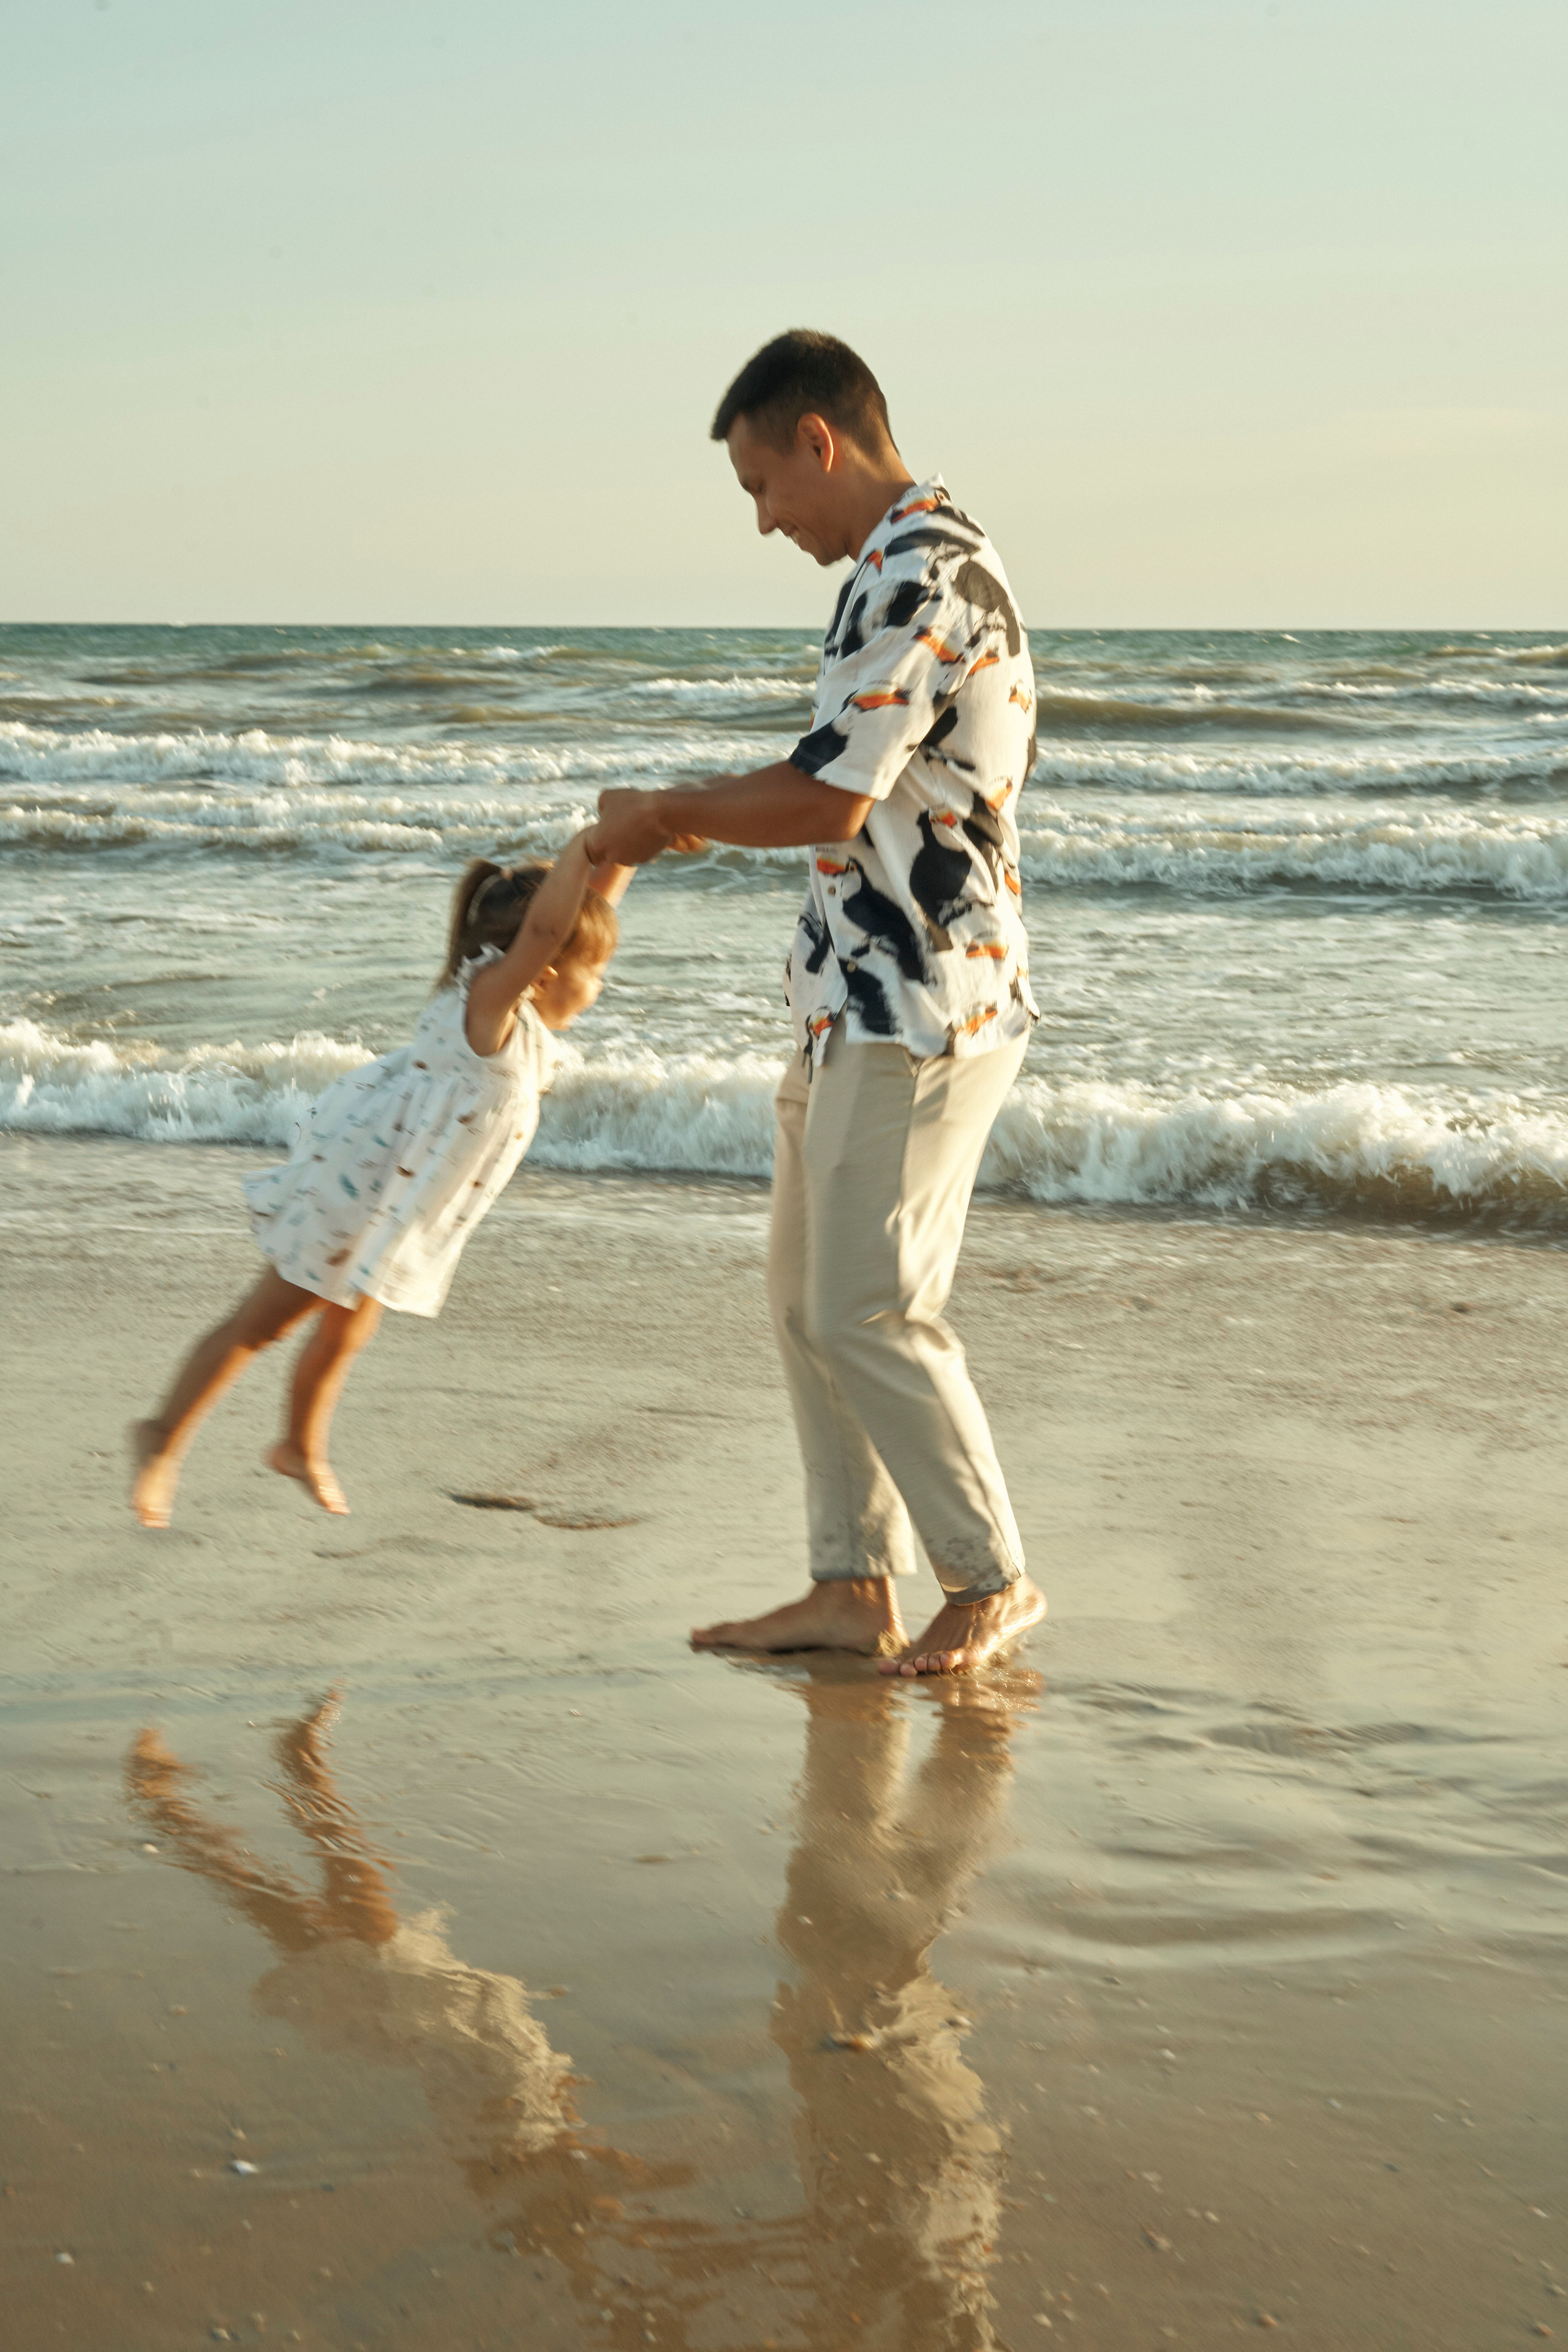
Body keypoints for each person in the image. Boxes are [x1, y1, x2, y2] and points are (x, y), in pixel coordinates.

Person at [590, 329, 1049, 1678]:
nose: (762, 521)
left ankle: (990, 1578)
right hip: (851, 996)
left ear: (816, 440)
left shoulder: (921, 572)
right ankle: (851, 1586)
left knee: (867, 1307)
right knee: (805, 1301)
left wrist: (663, 816)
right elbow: (849, 789)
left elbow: (829, 794)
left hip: (920, 1007)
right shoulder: (897, 565)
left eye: (759, 487)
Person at [129, 834, 630, 1528]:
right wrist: (583, 846)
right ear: (542, 968)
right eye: (594, 968)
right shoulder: (490, 1002)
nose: (601, 983)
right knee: (265, 1322)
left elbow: (582, 911)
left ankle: (297, 1445)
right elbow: (552, 928)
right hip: (358, 1186)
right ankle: (162, 1435)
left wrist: (635, 841)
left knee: (346, 1330)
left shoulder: (524, 1015)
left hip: (398, 1200)